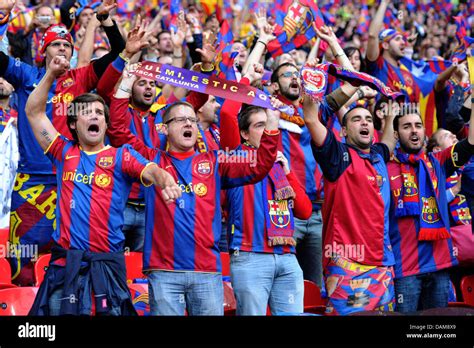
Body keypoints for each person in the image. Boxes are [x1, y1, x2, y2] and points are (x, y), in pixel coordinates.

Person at [107, 64, 283, 315]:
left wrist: (272, 124)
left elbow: (260, 165)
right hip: (164, 271)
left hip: (207, 272)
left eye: (192, 119)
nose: (188, 123)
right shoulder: (151, 159)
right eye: (180, 120)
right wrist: (125, 85)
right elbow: (118, 132)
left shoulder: (215, 161)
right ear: (164, 128)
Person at [26, 55, 181, 316]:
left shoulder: (122, 156)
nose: (94, 116)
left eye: (99, 112)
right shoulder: (63, 152)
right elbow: (34, 111)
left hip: (107, 265)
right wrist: (50, 75)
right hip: (66, 266)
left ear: (107, 124)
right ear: (74, 124)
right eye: (87, 113)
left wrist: (166, 181)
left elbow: (153, 169)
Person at [0, 0, 125, 285]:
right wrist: (2, 17)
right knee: (22, 258)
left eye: (67, 46)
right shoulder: (25, 75)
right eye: (56, 45)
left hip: (69, 178)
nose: (63, 50)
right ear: (43, 52)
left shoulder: (80, 78)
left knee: (68, 256)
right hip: (29, 181)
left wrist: (104, 19)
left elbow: (118, 53)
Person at [303, 89, 398, 315]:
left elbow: (388, 144)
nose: (364, 122)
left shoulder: (376, 155)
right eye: (356, 119)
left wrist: (391, 118)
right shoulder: (337, 155)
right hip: (347, 263)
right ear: (343, 130)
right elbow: (310, 117)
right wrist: (313, 88)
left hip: (382, 262)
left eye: (368, 119)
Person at [270, 62, 357, 288]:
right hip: (284, 211)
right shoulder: (267, 109)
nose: (294, 78)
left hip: (318, 213)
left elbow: (351, 85)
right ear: (274, 85)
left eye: (297, 74)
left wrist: (331, 61)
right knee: (283, 287)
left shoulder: (315, 111)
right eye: (286, 74)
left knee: (315, 287)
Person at [223, 103, 312, 315]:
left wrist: (288, 172)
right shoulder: (237, 157)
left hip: (287, 257)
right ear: (244, 134)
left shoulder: (279, 165)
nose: (267, 131)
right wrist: (247, 80)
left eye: (270, 125)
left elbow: (305, 211)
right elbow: (227, 113)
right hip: (250, 255)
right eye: (260, 125)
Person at [387, 105, 474, 313]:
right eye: (407, 127)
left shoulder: (439, 162)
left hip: (440, 265)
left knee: (437, 332)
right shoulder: (384, 166)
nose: (414, 130)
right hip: (404, 269)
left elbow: (470, 143)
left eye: (418, 125)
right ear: (396, 134)